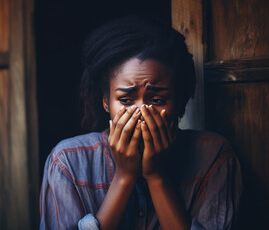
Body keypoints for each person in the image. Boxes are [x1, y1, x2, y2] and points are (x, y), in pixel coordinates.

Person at [39, 16, 242, 230]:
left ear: (180, 102)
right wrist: (124, 177)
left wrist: (157, 176)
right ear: (106, 101)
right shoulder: (67, 162)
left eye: (157, 100)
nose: (142, 112)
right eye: (126, 100)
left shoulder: (213, 158)